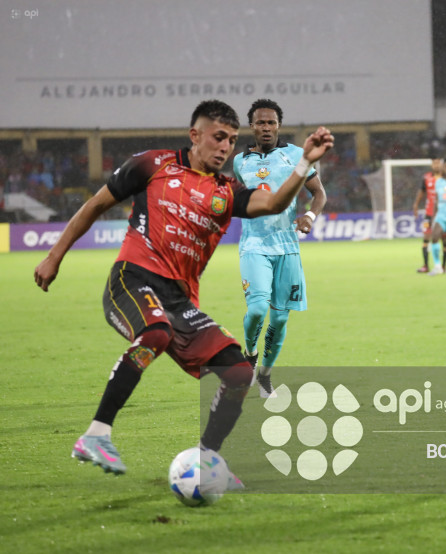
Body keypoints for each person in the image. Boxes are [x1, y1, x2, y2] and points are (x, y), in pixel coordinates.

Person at [33, 100, 334, 477]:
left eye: (231, 140)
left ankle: (208, 459)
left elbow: (274, 203)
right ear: (195, 135)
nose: (225, 147)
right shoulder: (152, 164)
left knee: (239, 372)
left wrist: (304, 163)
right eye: (218, 137)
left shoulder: (228, 191)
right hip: (132, 279)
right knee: (155, 332)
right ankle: (96, 434)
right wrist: (54, 256)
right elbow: (96, 204)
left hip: (179, 301)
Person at [233, 99, 327, 398]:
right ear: (252, 126)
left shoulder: (297, 155)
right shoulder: (239, 161)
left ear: (278, 126)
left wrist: (309, 216)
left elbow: (319, 193)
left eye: (271, 122)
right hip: (254, 245)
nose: (266, 127)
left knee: (281, 318)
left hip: (287, 246)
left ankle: (264, 376)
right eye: (260, 122)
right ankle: (249, 355)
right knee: (258, 309)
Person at [411, 157, 446, 273]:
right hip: (429, 214)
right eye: (434, 163)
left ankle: (443, 267)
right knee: (426, 238)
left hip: (443, 214)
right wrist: (416, 205)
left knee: (444, 239)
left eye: (438, 163)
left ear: (441, 164)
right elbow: (421, 191)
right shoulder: (426, 177)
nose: (436, 165)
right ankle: (425, 265)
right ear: (431, 165)